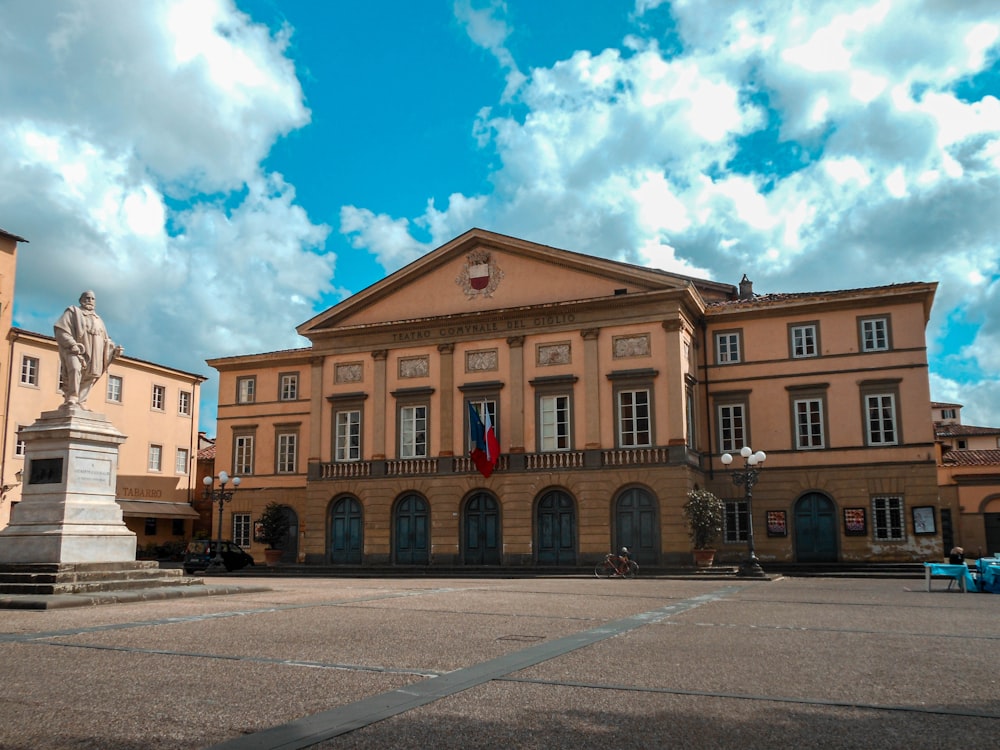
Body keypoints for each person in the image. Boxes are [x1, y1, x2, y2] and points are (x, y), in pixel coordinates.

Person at [53, 290, 123, 408]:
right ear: (80, 300)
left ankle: (81, 401)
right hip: (77, 351)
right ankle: (72, 396)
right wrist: (72, 344)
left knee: (91, 375)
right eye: (87, 298)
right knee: (75, 369)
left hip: (95, 354)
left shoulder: (99, 320)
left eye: (92, 299)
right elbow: (61, 330)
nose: (89, 300)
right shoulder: (73, 312)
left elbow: (106, 341)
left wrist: (114, 351)